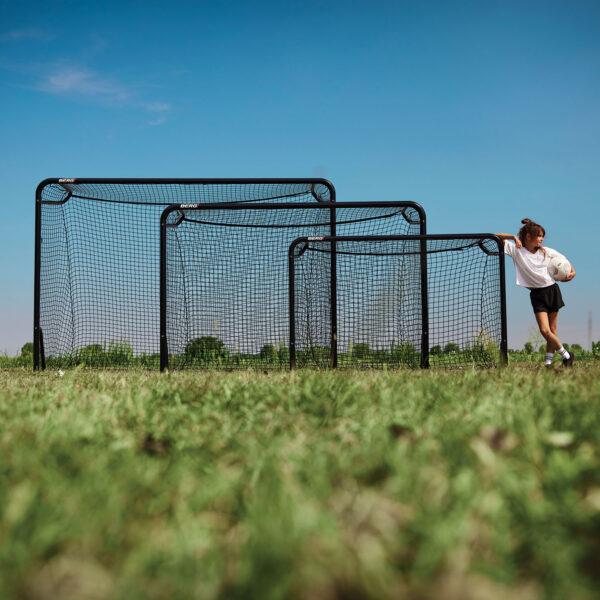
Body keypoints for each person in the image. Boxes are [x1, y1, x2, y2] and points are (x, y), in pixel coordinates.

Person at [497, 218, 576, 368]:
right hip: (537, 295)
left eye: (542, 236)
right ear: (528, 237)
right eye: (539, 236)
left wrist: (573, 272)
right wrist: (513, 237)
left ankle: (548, 363)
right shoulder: (516, 250)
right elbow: (496, 236)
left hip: (552, 290)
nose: (541, 239)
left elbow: (565, 261)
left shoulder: (547, 252)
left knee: (552, 330)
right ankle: (567, 355)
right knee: (545, 330)